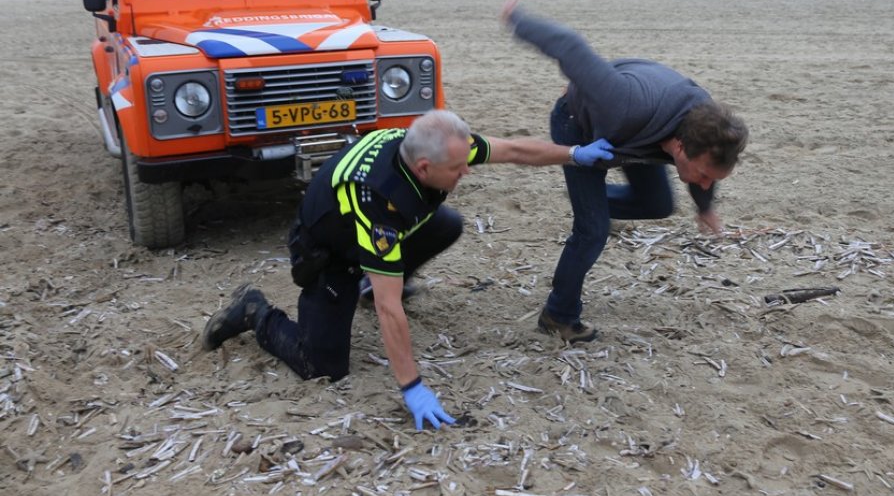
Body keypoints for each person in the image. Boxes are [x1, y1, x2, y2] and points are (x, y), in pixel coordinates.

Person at [201, 110, 613, 430]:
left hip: (379, 232)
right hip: (329, 251)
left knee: (447, 223)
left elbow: (513, 150)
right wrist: (412, 387)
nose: (466, 171)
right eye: (457, 169)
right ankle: (256, 311)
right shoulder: (379, 200)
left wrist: (575, 155)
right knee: (322, 367)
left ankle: (368, 281)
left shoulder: (435, 147)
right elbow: (389, 308)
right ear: (423, 170)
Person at [501, 0, 748, 343]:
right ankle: (557, 315)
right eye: (703, 175)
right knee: (592, 231)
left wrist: (705, 206)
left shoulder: (705, 131)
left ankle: (590, 204)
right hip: (579, 124)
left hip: (637, 135)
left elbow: (709, 166)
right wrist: (518, 19)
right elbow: (570, 46)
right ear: (679, 147)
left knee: (659, 204)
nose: (705, 182)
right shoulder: (624, 105)